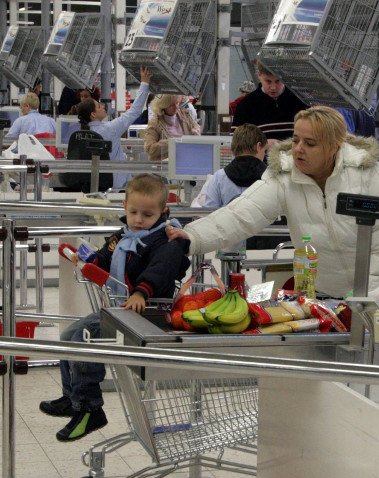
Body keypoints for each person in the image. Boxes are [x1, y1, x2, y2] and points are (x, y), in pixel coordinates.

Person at [167, 106, 379, 298]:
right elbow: (241, 214)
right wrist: (193, 237)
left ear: (334, 147)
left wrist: (365, 297)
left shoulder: (367, 172)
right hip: (324, 293)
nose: (298, 149)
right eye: (295, 140)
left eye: (310, 143)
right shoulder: (284, 176)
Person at [39, 174, 190, 441]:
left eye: (147, 214)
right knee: (68, 336)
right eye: (133, 212)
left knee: (85, 341)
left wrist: (142, 292)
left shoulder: (167, 240)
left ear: (163, 212)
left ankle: (90, 409)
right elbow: (105, 256)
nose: (139, 219)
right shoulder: (123, 236)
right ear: (124, 207)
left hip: (148, 313)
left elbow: (162, 268)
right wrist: (88, 261)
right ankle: (72, 398)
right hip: (121, 310)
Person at [75, 66, 152, 189]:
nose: (103, 106)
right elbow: (135, 111)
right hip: (117, 186)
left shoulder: (84, 134)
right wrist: (144, 83)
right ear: (93, 114)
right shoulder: (109, 129)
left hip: (97, 184)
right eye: (99, 106)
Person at [193, 123, 268, 208]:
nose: (264, 154)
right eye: (264, 150)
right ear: (258, 146)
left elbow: (210, 212)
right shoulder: (270, 177)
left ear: (233, 147)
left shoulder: (219, 177)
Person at [232, 63, 308, 145]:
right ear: (259, 75)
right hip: (262, 153)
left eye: (278, 81)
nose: (273, 87)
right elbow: (236, 140)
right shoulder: (246, 105)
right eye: (268, 81)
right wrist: (263, 143)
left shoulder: (301, 100)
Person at [142, 94, 201, 161]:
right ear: (163, 106)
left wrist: (196, 130)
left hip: (187, 160)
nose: (176, 107)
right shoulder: (155, 123)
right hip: (166, 165)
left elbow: (196, 126)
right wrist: (171, 142)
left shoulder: (185, 115)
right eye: (171, 105)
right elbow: (150, 149)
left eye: (177, 103)